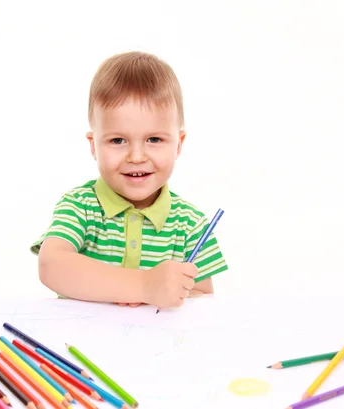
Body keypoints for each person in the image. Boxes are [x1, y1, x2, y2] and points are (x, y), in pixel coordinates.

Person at [30, 51, 228, 310]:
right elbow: (51, 266)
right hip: (78, 347)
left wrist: (171, 292)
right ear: (93, 146)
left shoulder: (190, 224)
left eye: (154, 140)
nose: (136, 156)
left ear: (178, 144)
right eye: (117, 141)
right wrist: (145, 285)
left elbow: (203, 301)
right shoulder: (80, 205)